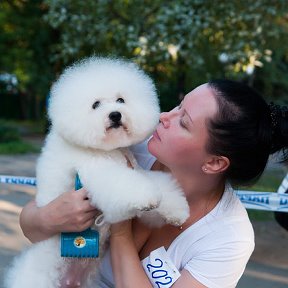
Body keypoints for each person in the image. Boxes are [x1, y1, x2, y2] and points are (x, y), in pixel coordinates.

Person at [20, 80, 288, 288]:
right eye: (178, 105)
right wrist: (48, 218)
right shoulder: (129, 139)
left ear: (215, 163)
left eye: (183, 121)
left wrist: (121, 227)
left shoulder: (228, 238)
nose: (164, 116)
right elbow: (30, 225)